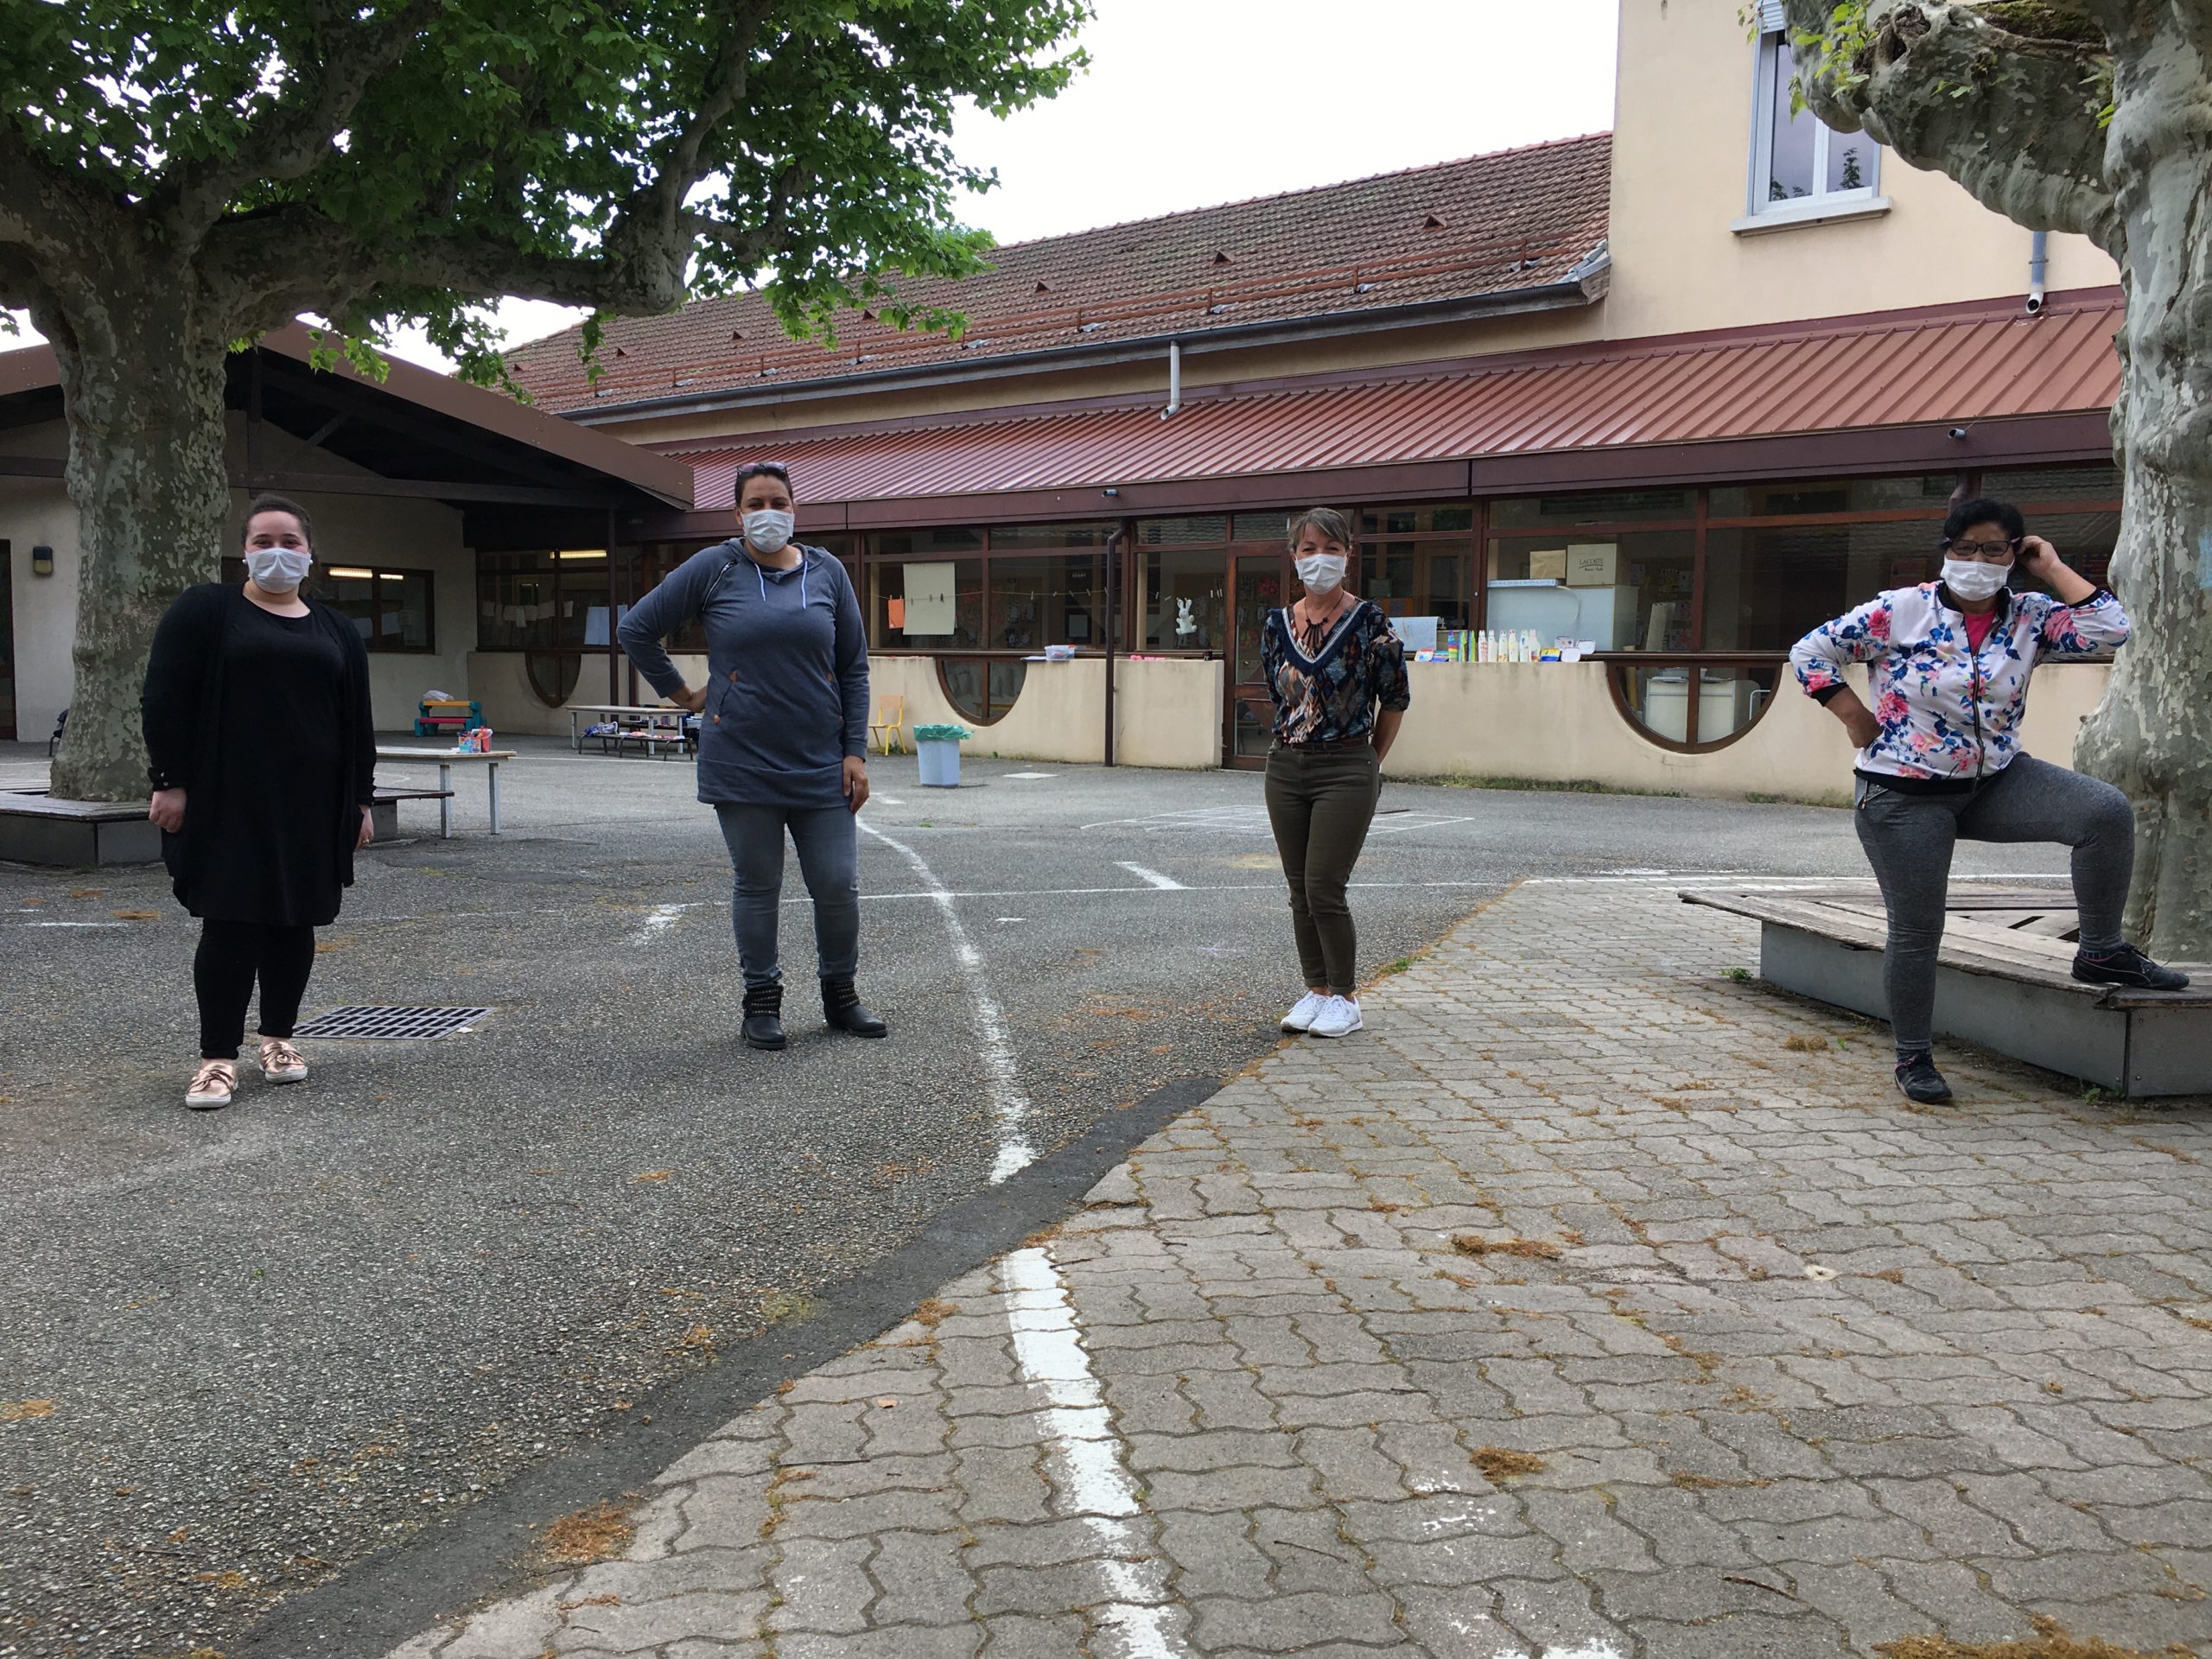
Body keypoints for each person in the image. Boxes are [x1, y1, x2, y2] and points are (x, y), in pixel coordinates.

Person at [1791, 497, 2189, 1105]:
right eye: (1965, 547)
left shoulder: (2031, 615)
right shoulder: (1900, 611)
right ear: (1946, 550)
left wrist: (2050, 567)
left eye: (1994, 549)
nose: (1977, 559)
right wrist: (1853, 716)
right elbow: (1809, 652)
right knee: (1919, 930)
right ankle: (1913, 1056)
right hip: (1904, 794)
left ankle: (2102, 952)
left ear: (2014, 555)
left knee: (2104, 812)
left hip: (1995, 780)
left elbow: (2112, 630)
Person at [619, 461, 882, 1050]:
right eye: (756, 504)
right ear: (737, 513)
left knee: (837, 884)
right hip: (740, 759)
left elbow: (853, 669)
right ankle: (761, 1003)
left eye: (778, 503)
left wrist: (855, 752)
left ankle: (841, 996)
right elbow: (636, 628)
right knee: (758, 885)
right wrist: (683, 694)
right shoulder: (714, 568)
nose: (769, 513)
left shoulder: (828, 572)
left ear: (795, 509)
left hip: (821, 761)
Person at [143, 495, 376, 1109]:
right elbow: (164, 697)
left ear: (310, 554)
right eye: (262, 541)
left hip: (313, 802)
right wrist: (169, 780)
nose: (277, 552)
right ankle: (217, 1059)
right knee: (231, 920)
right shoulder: (206, 610)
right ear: (244, 553)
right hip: (228, 797)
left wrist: (362, 801)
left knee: (295, 920)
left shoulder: (336, 629)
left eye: (289, 542)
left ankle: (279, 1040)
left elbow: (358, 721)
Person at [1262, 507, 1410, 1040]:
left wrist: (1370, 759)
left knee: (1325, 885)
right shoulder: (1277, 624)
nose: (1319, 559)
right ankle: (1317, 989)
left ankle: (1345, 998)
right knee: (1299, 888)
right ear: (1293, 557)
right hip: (1286, 766)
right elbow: (1278, 694)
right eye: (1308, 549)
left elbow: (1395, 699)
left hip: (1346, 766)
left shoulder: (1370, 622)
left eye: (1330, 548)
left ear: (1348, 554)